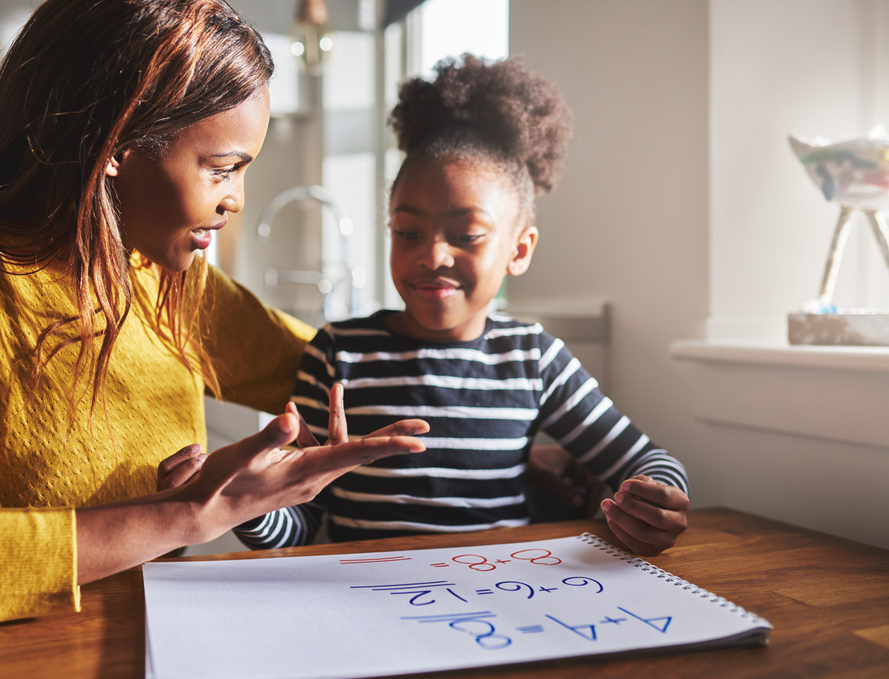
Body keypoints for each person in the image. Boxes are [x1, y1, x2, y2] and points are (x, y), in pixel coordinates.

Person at [0, 0, 429, 635]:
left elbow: (353, 374)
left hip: (152, 640)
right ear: (115, 142)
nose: (236, 200)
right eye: (222, 168)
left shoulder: (159, 272)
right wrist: (190, 513)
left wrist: (537, 440)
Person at [234, 55, 690, 557]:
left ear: (519, 250)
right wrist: (249, 505)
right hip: (362, 600)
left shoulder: (532, 360)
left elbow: (646, 460)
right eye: (408, 232)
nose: (431, 255)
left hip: (499, 595)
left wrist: (657, 501)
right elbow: (300, 521)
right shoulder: (338, 352)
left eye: (466, 235)